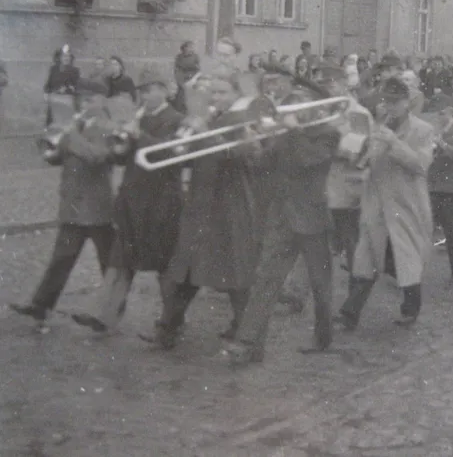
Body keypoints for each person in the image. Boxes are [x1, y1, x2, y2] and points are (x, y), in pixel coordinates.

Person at [138, 66, 269, 349]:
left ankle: (249, 337)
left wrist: (204, 133)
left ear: (236, 94)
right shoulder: (212, 117)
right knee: (184, 272)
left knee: (235, 277)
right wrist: (182, 147)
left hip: (229, 206)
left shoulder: (245, 119)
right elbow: (192, 158)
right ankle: (168, 330)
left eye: (222, 93)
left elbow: (241, 154)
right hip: (200, 204)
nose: (216, 98)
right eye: (213, 93)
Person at [226, 69, 342, 364]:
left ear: (316, 108)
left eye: (302, 104)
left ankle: (323, 336)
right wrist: (253, 144)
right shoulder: (285, 133)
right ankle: (248, 343)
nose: (295, 109)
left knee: (320, 284)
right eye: (293, 103)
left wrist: (293, 130)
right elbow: (261, 167)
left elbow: (308, 161)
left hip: (312, 219)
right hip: (282, 217)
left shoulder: (329, 134)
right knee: (266, 280)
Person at [71, 66, 184, 334]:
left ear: (164, 91)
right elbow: (125, 157)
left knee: (165, 266)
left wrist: (138, 135)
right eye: (141, 92)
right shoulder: (139, 116)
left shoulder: (177, 119)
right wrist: (119, 147)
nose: (144, 97)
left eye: (149, 90)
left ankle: (171, 324)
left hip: (161, 203)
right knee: (120, 260)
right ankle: (104, 315)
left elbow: (168, 155)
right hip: (134, 199)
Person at [11, 78, 116, 326]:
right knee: (62, 258)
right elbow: (61, 156)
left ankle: (109, 313)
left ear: (101, 100)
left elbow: (95, 156)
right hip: (74, 205)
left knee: (109, 263)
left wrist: (70, 135)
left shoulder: (107, 126)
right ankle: (40, 305)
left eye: (89, 99)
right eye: (81, 98)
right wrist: (51, 148)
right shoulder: (78, 123)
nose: (83, 103)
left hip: (96, 207)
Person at [335, 78, 435, 330]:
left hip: (405, 205)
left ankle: (410, 310)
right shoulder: (378, 126)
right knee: (364, 258)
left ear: (406, 103)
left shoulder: (422, 129)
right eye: (387, 101)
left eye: (395, 102)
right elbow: (366, 161)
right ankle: (350, 313)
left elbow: (420, 164)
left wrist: (393, 143)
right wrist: (355, 150)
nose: (390, 107)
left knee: (407, 257)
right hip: (376, 203)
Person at [324, 64, 373, 272]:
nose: (327, 89)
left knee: (352, 242)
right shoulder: (323, 110)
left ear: (344, 85)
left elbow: (355, 154)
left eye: (331, 83)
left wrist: (323, 148)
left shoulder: (357, 114)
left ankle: (357, 286)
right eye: (324, 84)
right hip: (326, 187)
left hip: (348, 187)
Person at [420, 93, 453, 286]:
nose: (438, 117)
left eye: (442, 113)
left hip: (449, 187)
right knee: (422, 229)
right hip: (430, 185)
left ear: (450, 112)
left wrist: (441, 143)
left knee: (452, 233)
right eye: (435, 114)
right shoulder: (429, 131)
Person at [44, 45, 80, 127]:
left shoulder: (74, 71)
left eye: (68, 56)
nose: (66, 58)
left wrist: (67, 89)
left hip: (67, 103)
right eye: (64, 56)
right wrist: (47, 92)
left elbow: (77, 88)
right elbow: (48, 85)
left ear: (71, 58)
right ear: (60, 57)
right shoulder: (53, 69)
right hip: (55, 102)